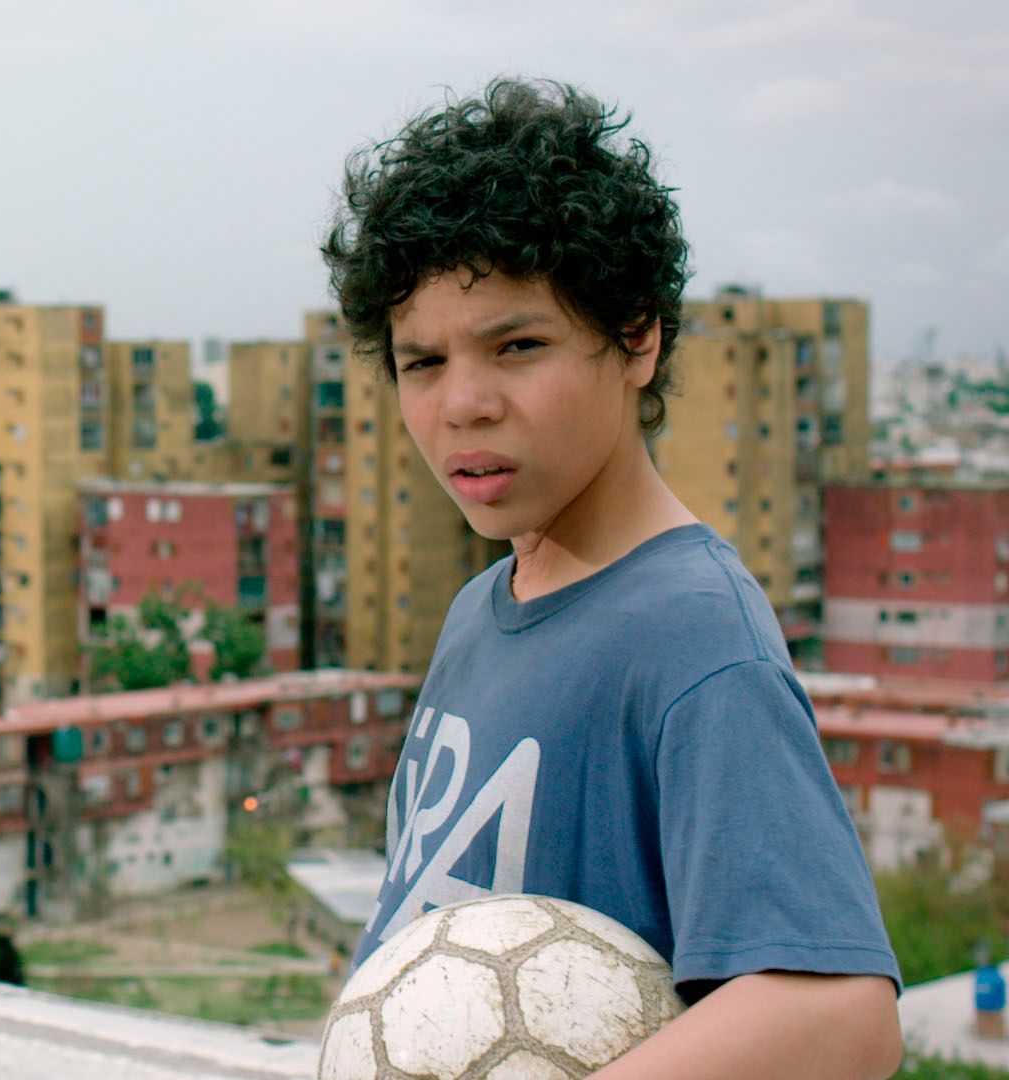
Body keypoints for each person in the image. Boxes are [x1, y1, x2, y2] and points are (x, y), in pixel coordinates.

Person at [321, 79, 902, 1077]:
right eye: (421, 362)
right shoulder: (478, 612)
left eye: (518, 346)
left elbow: (844, 1020)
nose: (463, 403)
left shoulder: (694, 639)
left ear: (637, 338)